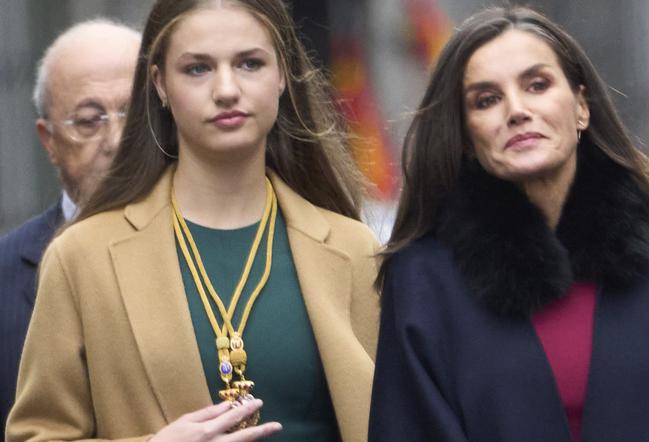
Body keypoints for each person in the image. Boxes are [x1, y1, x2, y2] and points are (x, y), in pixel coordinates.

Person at [369, 6, 649, 442]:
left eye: (537, 85)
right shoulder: (423, 281)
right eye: (486, 99)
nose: (517, 110)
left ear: (581, 107)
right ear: (466, 137)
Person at [6, 0, 379, 440]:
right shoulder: (82, 257)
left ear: (282, 74)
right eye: (198, 69)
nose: (226, 89)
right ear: (159, 84)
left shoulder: (355, 249)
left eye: (250, 63)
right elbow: (37, 433)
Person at [0, 19, 139, 432]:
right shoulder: (5, 276)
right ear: (49, 142)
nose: (116, 140)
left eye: (134, 114)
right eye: (89, 120)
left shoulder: (213, 243)